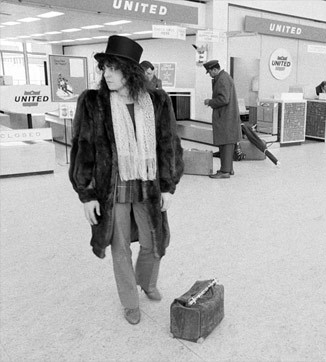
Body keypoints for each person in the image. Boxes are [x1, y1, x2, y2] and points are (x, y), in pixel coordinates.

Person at [69, 35, 184, 325]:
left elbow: (169, 144)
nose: (106, 74)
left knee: (154, 241)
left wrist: (169, 186)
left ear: (130, 72)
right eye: (104, 68)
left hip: (149, 185)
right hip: (113, 186)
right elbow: (83, 150)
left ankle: (145, 280)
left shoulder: (156, 101)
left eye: (113, 68)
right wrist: (87, 195)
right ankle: (130, 300)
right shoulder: (93, 102)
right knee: (120, 247)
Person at [203, 60, 242, 179]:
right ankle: (229, 169)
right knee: (227, 143)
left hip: (226, 117)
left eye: (209, 72)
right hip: (227, 116)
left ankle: (224, 171)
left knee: (225, 143)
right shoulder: (224, 77)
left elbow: (224, 99)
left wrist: (210, 102)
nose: (209, 74)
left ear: (215, 69)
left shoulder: (222, 79)